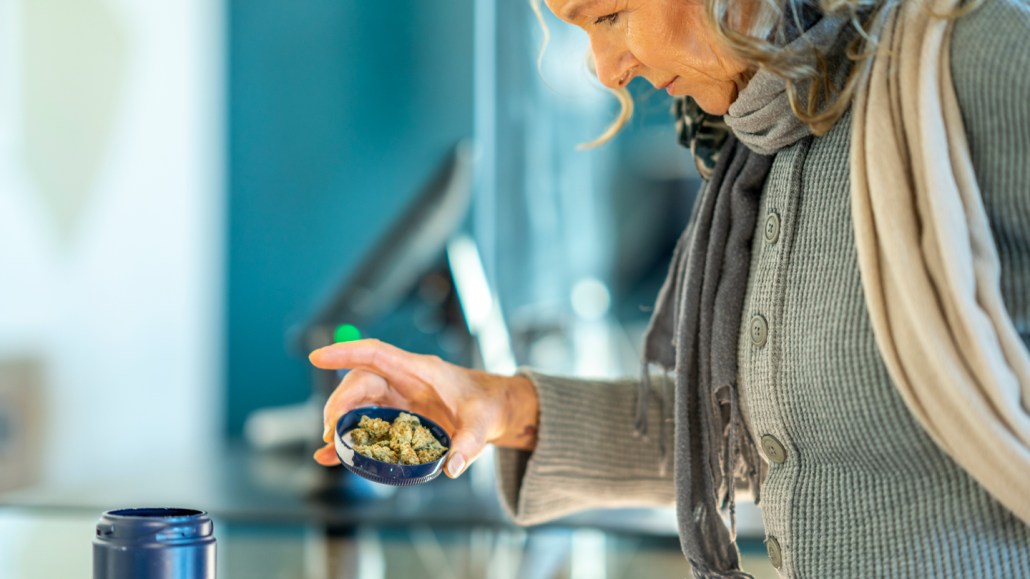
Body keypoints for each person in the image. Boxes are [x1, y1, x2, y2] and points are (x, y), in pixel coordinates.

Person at [311, 0, 1030, 576]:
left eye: (609, 18)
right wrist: (499, 405)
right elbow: (735, 436)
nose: (606, 70)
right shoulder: (763, 145)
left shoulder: (976, 60)